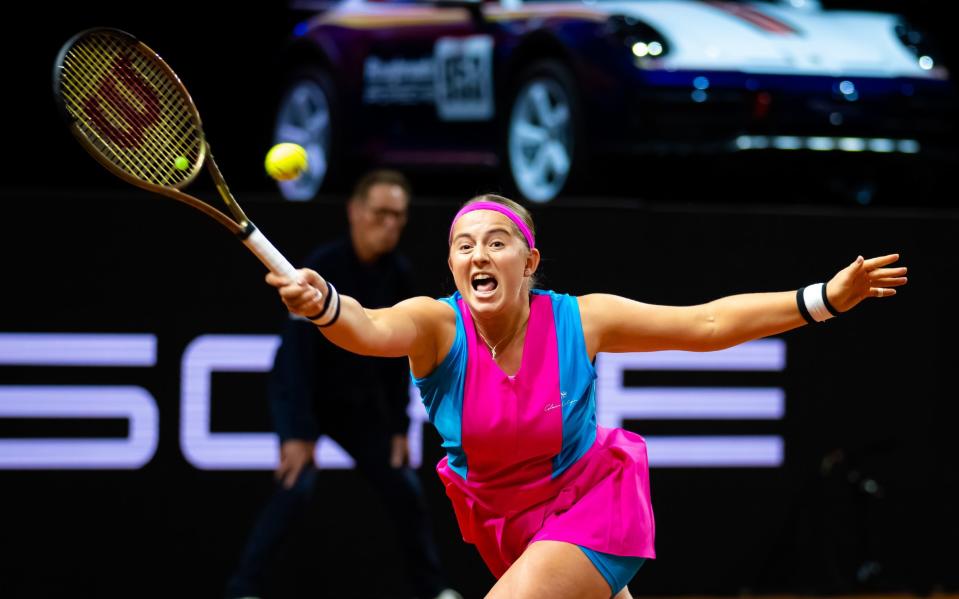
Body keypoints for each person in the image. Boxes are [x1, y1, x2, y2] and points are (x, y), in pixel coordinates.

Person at [266, 193, 908, 599]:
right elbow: (369, 327)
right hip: (507, 524)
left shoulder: (581, 319)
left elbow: (706, 324)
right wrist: (324, 304)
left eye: (497, 241)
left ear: (529, 259)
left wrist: (822, 299)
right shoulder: (437, 326)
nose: (478, 254)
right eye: (464, 246)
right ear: (455, 267)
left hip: (590, 508)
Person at [227, 170, 461, 599]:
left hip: (359, 409)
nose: (389, 224)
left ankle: (433, 590)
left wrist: (396, 427)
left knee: (404, 488)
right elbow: (294, 362)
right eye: (380, 213)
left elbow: (398, 361)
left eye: (398, 216)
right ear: (355, 212)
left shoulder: (399, 275)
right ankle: (244, 589)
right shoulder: (323, 267)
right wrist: (296, 432)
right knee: (296, 486)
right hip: (309, 400)